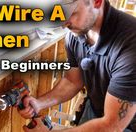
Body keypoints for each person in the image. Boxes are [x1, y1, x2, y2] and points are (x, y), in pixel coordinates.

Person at [18, 0, 136, 131]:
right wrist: (39, 103)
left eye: (71, 13)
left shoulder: (130, 44)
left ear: (97, 2)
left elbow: (111, 126)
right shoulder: (76, 34)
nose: (63, 24)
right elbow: (72, 81)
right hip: (94, 110)